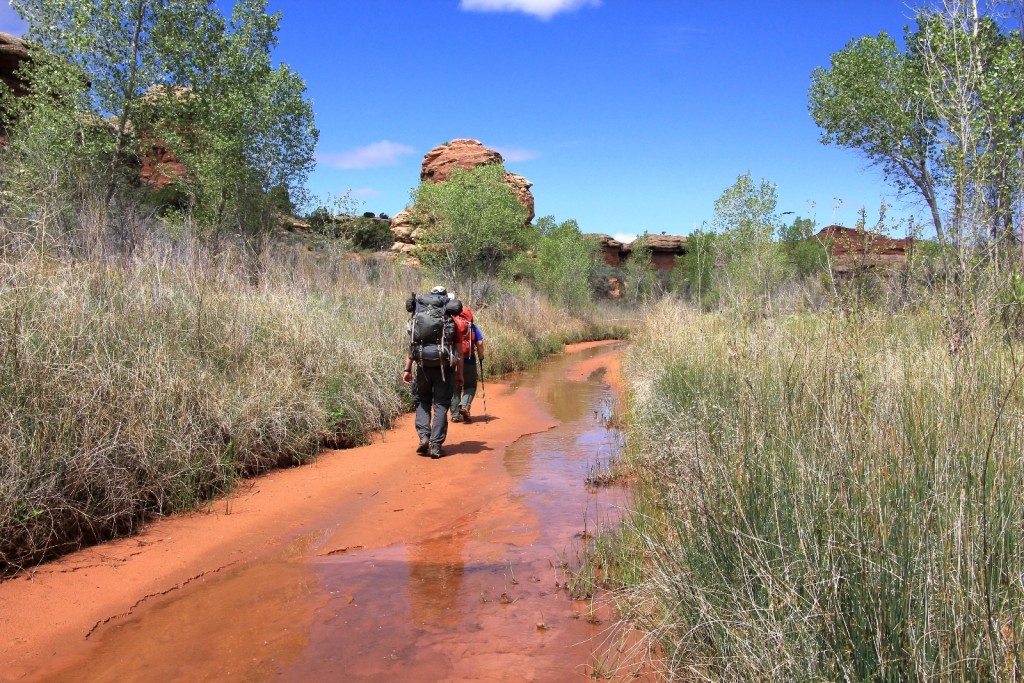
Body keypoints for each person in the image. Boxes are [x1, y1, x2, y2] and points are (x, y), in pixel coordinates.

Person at [403, 286, 462, 459]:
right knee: (442, 405)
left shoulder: (418, 317)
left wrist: (407, 369)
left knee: (422, 401)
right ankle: (436, 446)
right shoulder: (451, 320)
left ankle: (424, 436)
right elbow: (458, 351)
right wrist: (459, 374)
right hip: (444, 368)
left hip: (422, 365)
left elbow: (412, 345)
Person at [451, 306, 484, 423]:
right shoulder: (472, 327)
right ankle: (464, 406)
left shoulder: (452, 325)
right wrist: (481, 356)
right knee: (470, 386)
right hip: (469, 360)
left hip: (454, 362)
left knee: (455, 387)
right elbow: (479, 343)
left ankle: (455, 415)